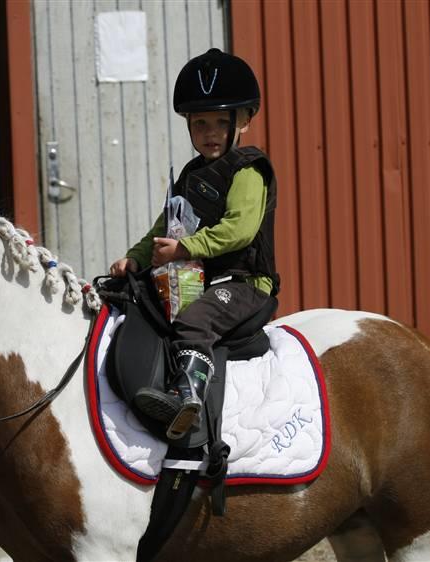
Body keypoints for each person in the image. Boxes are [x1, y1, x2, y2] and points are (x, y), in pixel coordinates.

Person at [109, 48, 280, 440]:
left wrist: (185, 250)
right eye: (200, 123)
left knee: (194, 319)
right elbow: (163, 227)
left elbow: (240, 229)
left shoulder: (248, 169)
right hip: (201, 282)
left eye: (221, 122)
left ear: (245, 121)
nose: (210, 132)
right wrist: (134, 260)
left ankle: (188, 398)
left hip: (245, 286)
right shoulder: (190, 174)